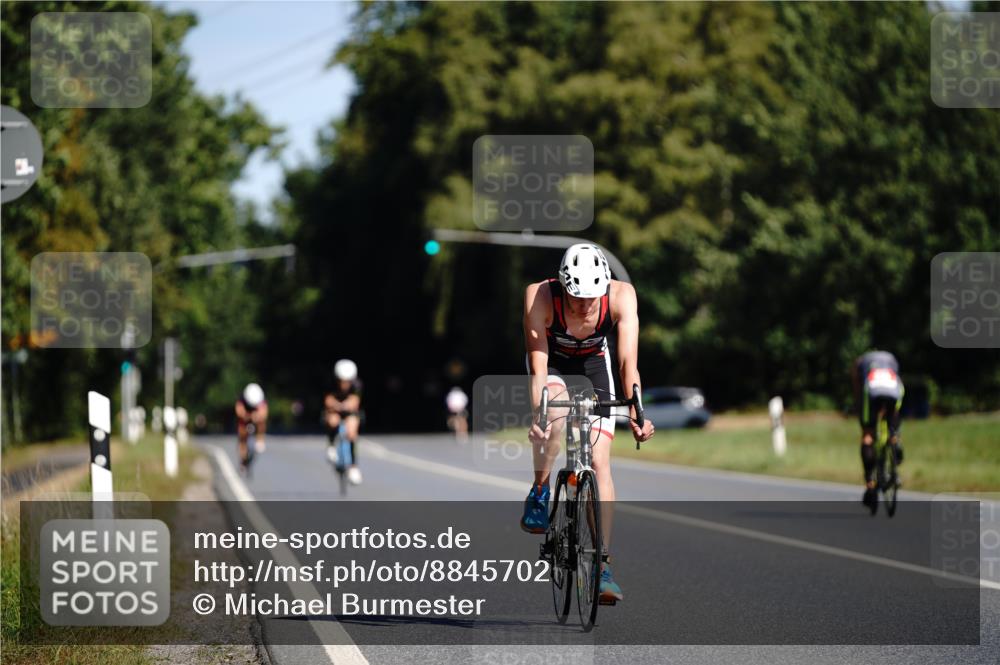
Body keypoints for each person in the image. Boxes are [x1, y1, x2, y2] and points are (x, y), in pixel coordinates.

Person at [522, 243, 655, 604]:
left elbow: (628, 362)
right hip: (552, 364)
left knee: (599, 462)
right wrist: (539, 414)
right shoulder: (539, 296)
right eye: (576, 297)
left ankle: (602, 565)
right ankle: (540, 487)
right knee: (554, 416)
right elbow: (537, 365)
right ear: (562, 287)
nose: (584, 305)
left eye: (592, 297)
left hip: (595, 364)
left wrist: (636, 411)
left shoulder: (623, 296)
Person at [852, 350, 905, 510]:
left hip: (873, 389)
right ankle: (895, 440)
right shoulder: (891, 358)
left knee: (868, 436)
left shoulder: (859, 363)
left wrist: (858, 406)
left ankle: (870, 484)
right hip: (893, 387)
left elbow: (857, 388)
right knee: (893, 416)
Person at [325, 359, 363, 485]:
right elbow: (328, 401)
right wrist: (336, 406)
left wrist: (345, 405)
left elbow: (355, 402)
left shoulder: (357, 384)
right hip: (334, 410)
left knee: (352, 432)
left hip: (349, 410)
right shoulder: (331, 383)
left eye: (347, 381)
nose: (344, 384)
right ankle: (331, 446)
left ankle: (353, 466)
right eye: (341, 381)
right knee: (332, 421)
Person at [235, 383, 268, 473]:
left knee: (262, 422)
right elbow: (239, 411)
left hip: (255, 415)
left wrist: (257, 416)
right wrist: (246, 416)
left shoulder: (260, 399)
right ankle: (243, 460)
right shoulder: (242, 399)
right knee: (242, 435)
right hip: (245, 417)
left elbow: (264, 413)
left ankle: (260, 439)